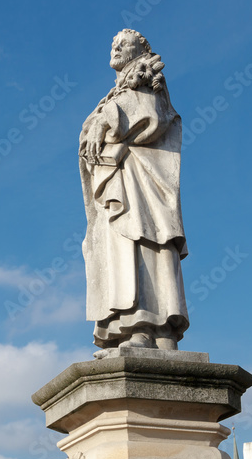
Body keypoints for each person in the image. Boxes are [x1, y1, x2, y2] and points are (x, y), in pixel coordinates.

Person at [79, 29, 189, 353]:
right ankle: (123, 325)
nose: (115, 46)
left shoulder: (148, 81)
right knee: (121, 251)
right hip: (120, 184)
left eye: (122, 43)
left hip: (143, 185)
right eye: (112, 42)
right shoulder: (115, 94)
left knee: (147, 244)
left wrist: (104, 122)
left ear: (140, 50)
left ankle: (149, 325)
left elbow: (151, 115)